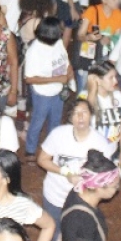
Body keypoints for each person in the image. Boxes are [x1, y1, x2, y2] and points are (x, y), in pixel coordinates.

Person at [36, 99, 113, 241]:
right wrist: (66, 172)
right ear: (70, 118)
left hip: (81, 200)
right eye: (76, 113)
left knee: (76, 234)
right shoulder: (58, 134)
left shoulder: (100, 143)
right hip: (55, 194)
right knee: (50, 228)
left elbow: (106, 175)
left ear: (91, 115)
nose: (80, 117)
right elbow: (42, 159)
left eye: (84, 112)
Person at [58, 149, 121, 241]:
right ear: (99, 187)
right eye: (115, 186)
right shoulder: (85, 221)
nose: (118, 189)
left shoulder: (77, 191)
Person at [23, 16, 72, 160]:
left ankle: (52, 147)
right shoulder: (34, 51)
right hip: (42, 93)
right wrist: (56, 79)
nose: (62, 33)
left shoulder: (57, 43)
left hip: (58, 89)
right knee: (38, 121)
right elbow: (29, 78)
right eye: (59, 31)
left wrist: (69, 72)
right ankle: (30, 150)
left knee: (56, 121)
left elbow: (65, 60)